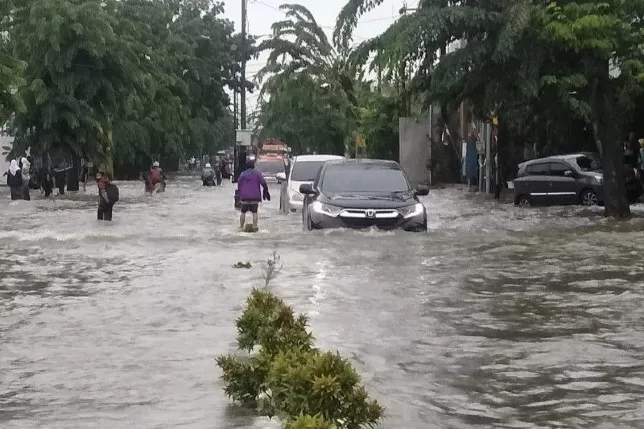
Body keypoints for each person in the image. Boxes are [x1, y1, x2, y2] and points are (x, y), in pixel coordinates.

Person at [237, 157, 270, 230]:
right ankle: (255, 226)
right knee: (254, 212)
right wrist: (266, 191)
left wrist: (239, 195)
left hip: (244, 197)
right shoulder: (257, 174)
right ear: (253, 166)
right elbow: (263, 183)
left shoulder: (242, 174)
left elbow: (239, 185)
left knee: (243, 212)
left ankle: (241, 226)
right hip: (255, 197)